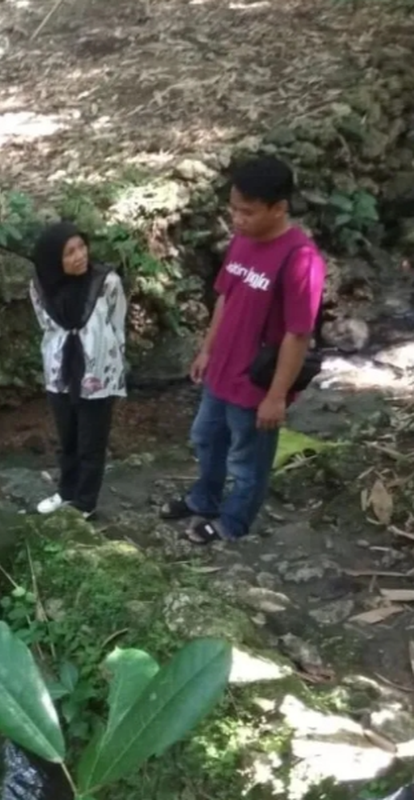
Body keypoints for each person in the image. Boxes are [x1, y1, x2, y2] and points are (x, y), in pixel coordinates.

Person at [161, 155, 326, 544]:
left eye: (247, 212)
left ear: (279, 208)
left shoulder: (300, 260)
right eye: (233, 209)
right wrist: (207, 350)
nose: (236, 219)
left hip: (255, 381)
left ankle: (232, 523)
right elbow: (224, 298)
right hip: (222, 370)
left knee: (248, 460)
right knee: (206, 437)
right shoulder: (242, 241)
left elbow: (297, 335)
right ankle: (204, 499)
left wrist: (276, 396)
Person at [30, 220, 128, 520]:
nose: (80, 256)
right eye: (69, 252)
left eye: (82, 247)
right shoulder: (40, 287)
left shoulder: (106, 282)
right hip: (59, 373)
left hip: (99, 373)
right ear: (53, 261)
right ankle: (66, 492)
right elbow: (46, 326)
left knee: (91, 443)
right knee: (68, 439)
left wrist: (110, 363)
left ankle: (85, 504)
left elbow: (117, 323)